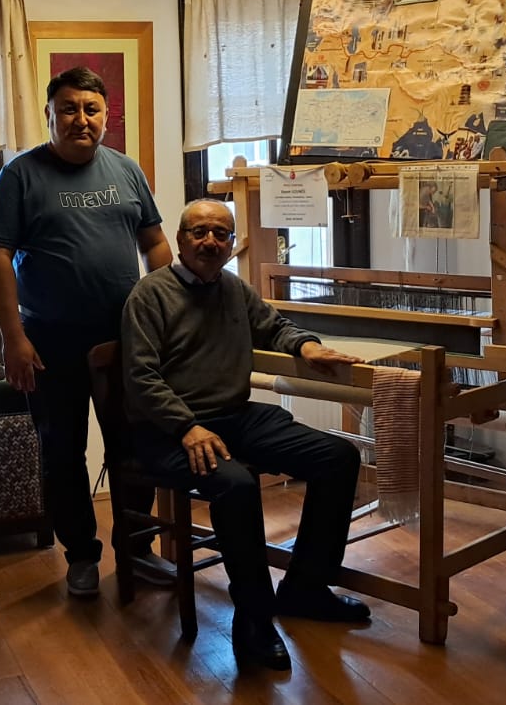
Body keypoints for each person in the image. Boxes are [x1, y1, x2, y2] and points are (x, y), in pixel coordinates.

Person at [120, 199, 369, 671]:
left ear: (231, 243)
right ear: (180, 240)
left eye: (221, 233)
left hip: (232, 417)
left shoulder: (233, 288)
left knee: (337, 457)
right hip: (167, 431)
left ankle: (305, 588)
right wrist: (186, 426)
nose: (210, 242)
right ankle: (253, 620)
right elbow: (140, 378)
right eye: (199, 232)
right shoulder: (149, 295)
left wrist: (307, 347)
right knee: (235, 485)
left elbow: (274, 327)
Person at [0, 67, 174, 598]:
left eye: (91, 109)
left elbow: (156, 243)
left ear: (106, 116)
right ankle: (82, 556)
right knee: (62, 454)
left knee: (132, 448)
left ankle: (138, 549)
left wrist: (166, 312)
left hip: (124, 340)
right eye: (68, 109)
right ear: (49, 114)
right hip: (49, 342)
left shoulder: (126, 170)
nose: (80, 119)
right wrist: (13, 338)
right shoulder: (19, 176)